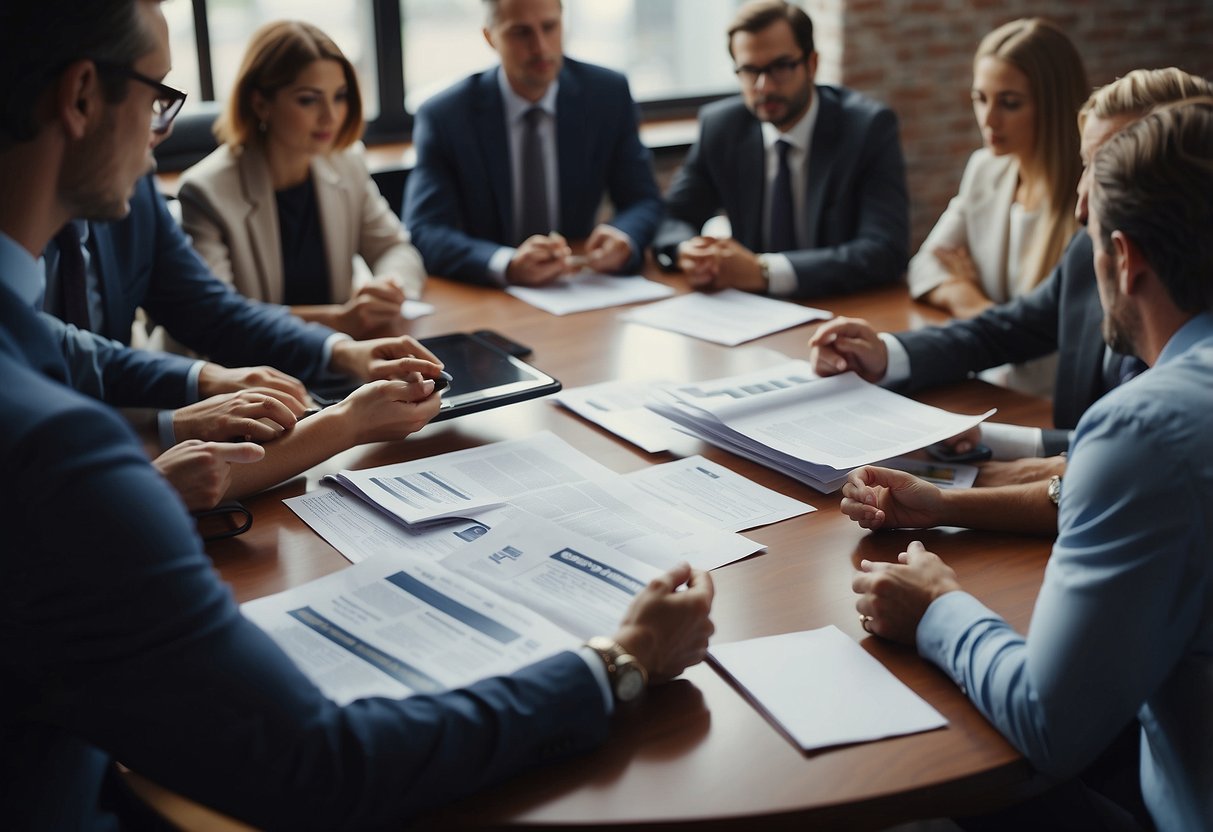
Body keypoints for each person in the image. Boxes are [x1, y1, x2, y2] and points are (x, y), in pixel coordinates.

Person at [0, 4, 714, 831]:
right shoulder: (59, 452)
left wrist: (254, 374)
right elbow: (320, 764)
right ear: (81, 97)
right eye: (157, 95)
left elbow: (82, 349)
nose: (161, 134)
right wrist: (617, 661)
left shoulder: (34, 352)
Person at [849, 99, 1213, 832]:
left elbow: (1050, 725)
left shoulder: (1145, 426)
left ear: (1126, 259)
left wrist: (935, 608)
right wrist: (956, 490)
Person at [809, 68, 1213, 488]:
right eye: (1088, 164)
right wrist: (886, 354)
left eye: (1111, 165)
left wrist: (999, 453)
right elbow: (1005, 330)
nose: (1082, 202)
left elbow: (1140, 447)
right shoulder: (1086, 250)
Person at [178, 20, 426, 339]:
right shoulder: (206, 191)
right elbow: (219, 317)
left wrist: (388, 286)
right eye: (309, 99)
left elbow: (395, 249)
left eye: (340, 96)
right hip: (245, 364)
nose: (331, 116)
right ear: (260, 103)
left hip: (333, 355)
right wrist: (338, 321)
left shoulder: (346, 162)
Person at [652, 0, 909, 298]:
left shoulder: (867, 129)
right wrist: (686, 250)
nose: (764, 86)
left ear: (812, 65)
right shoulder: (722, 127)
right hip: (750, 310)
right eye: (750, 70)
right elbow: (672, 217)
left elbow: (885, 250)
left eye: (781, 67)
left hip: (841, 305)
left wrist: (765, 271)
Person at [403, 0, 664, 287]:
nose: (540, 47)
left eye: (550, 27)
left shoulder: (607, 95)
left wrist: (624, 237)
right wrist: (507, 264)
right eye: (521, 32)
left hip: (579, 284)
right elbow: (424, 229)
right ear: (490, 37)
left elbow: (643, 199)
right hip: (491, 295)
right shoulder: (446, 116)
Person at [907, 18, 1088, 396]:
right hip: (989, 384)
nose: (988, 120)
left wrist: (979, 311)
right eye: (980, 99)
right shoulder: (986, 169)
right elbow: (924, 266)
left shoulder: (1087, 200)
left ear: (1053, 106)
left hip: (1045, 401)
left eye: (1010, 103)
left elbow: (1048, 362)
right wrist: (974, 303)